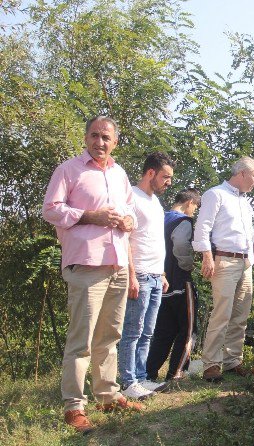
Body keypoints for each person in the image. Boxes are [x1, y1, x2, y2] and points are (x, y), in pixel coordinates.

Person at [42, 116, 144, 434]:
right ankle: (74, 406)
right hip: (86, 265)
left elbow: (131, 212)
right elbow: (51, 209)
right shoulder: (69, 170)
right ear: (86, 138)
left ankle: (107, 395)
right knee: (81, 340)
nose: (100, 142)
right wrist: (90, 216)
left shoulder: (119, 174)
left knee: (110, 337)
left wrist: (128, 221)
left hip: (118, 266)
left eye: (106, 137)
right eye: (94, 136)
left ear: (115, 142)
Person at [192, 156, 254, 382]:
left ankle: (233, 360)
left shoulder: (245, 202)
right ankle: (211, 364)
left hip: (244, 262)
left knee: (240, 315)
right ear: (242, 174)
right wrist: (207, 257)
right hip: (224, 261)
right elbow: (202, 228)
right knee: (222, 313)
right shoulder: (215, 194)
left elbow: (251, 236)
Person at [118, 152, 174, 399]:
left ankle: (141, 378)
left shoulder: (156, 202)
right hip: (138, 274)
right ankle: (128, 381)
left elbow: (155, 241)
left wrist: (161, 273)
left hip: (154, 275)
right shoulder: (131, 196)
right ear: (150, 173)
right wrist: (131, 275)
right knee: (133, 330)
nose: (168, 182)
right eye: (165, 177)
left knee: (148, 331)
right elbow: (125, 238)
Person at [146, 188, 201, 382]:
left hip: (160, 283)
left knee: (163, 332)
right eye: (195, 207)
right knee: (188, 330)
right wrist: (188, 264)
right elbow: (180, 244)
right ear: (189, 203)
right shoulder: (182, 220)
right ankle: (177, 373)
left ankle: (149, 373)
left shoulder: (160, 217)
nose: (194, 212)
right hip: (180, 282)